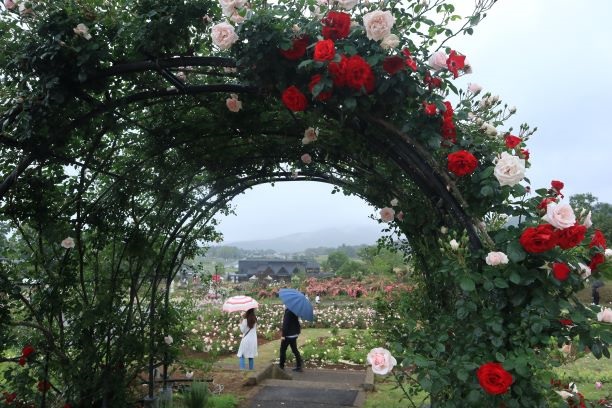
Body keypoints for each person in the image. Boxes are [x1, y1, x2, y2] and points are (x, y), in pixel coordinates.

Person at [279, 307, 303, 372]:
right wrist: (297, 332)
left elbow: (285, 324)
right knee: (295, 350)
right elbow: (296, 322)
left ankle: (281, 366)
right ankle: (299, 366)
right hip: (294, 334)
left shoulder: (288, 311)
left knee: (282, 350)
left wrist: (283, 335)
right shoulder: (295, 310)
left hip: (288, 335)